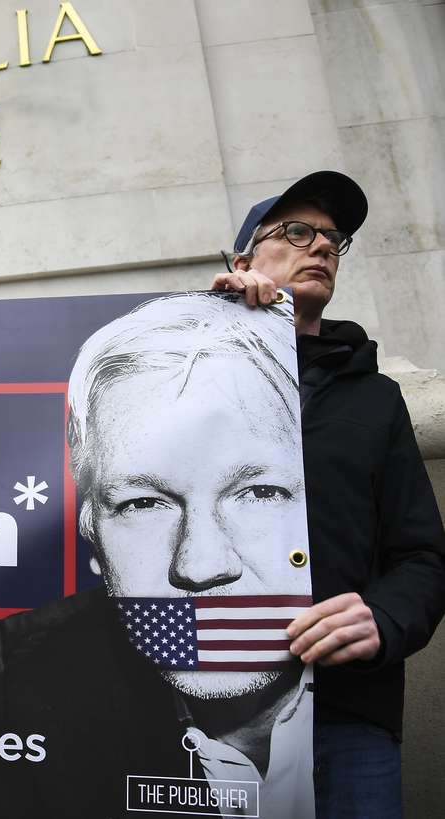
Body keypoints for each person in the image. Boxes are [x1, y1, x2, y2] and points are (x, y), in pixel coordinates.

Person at [0, 292, 317, 819]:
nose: (200, 565)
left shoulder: (368, 675)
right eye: (143, 503)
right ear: (92, 535)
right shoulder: (32, 690)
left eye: (258, 492)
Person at [211, 170, 445, 818]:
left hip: (348, 715)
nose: (321, 245)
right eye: (295, 231)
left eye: (332, 238)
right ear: (243, 262)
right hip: (212, 715)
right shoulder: (192, 371)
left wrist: (383, 618)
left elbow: (423, 557)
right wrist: (209, 328)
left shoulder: (377, 399)